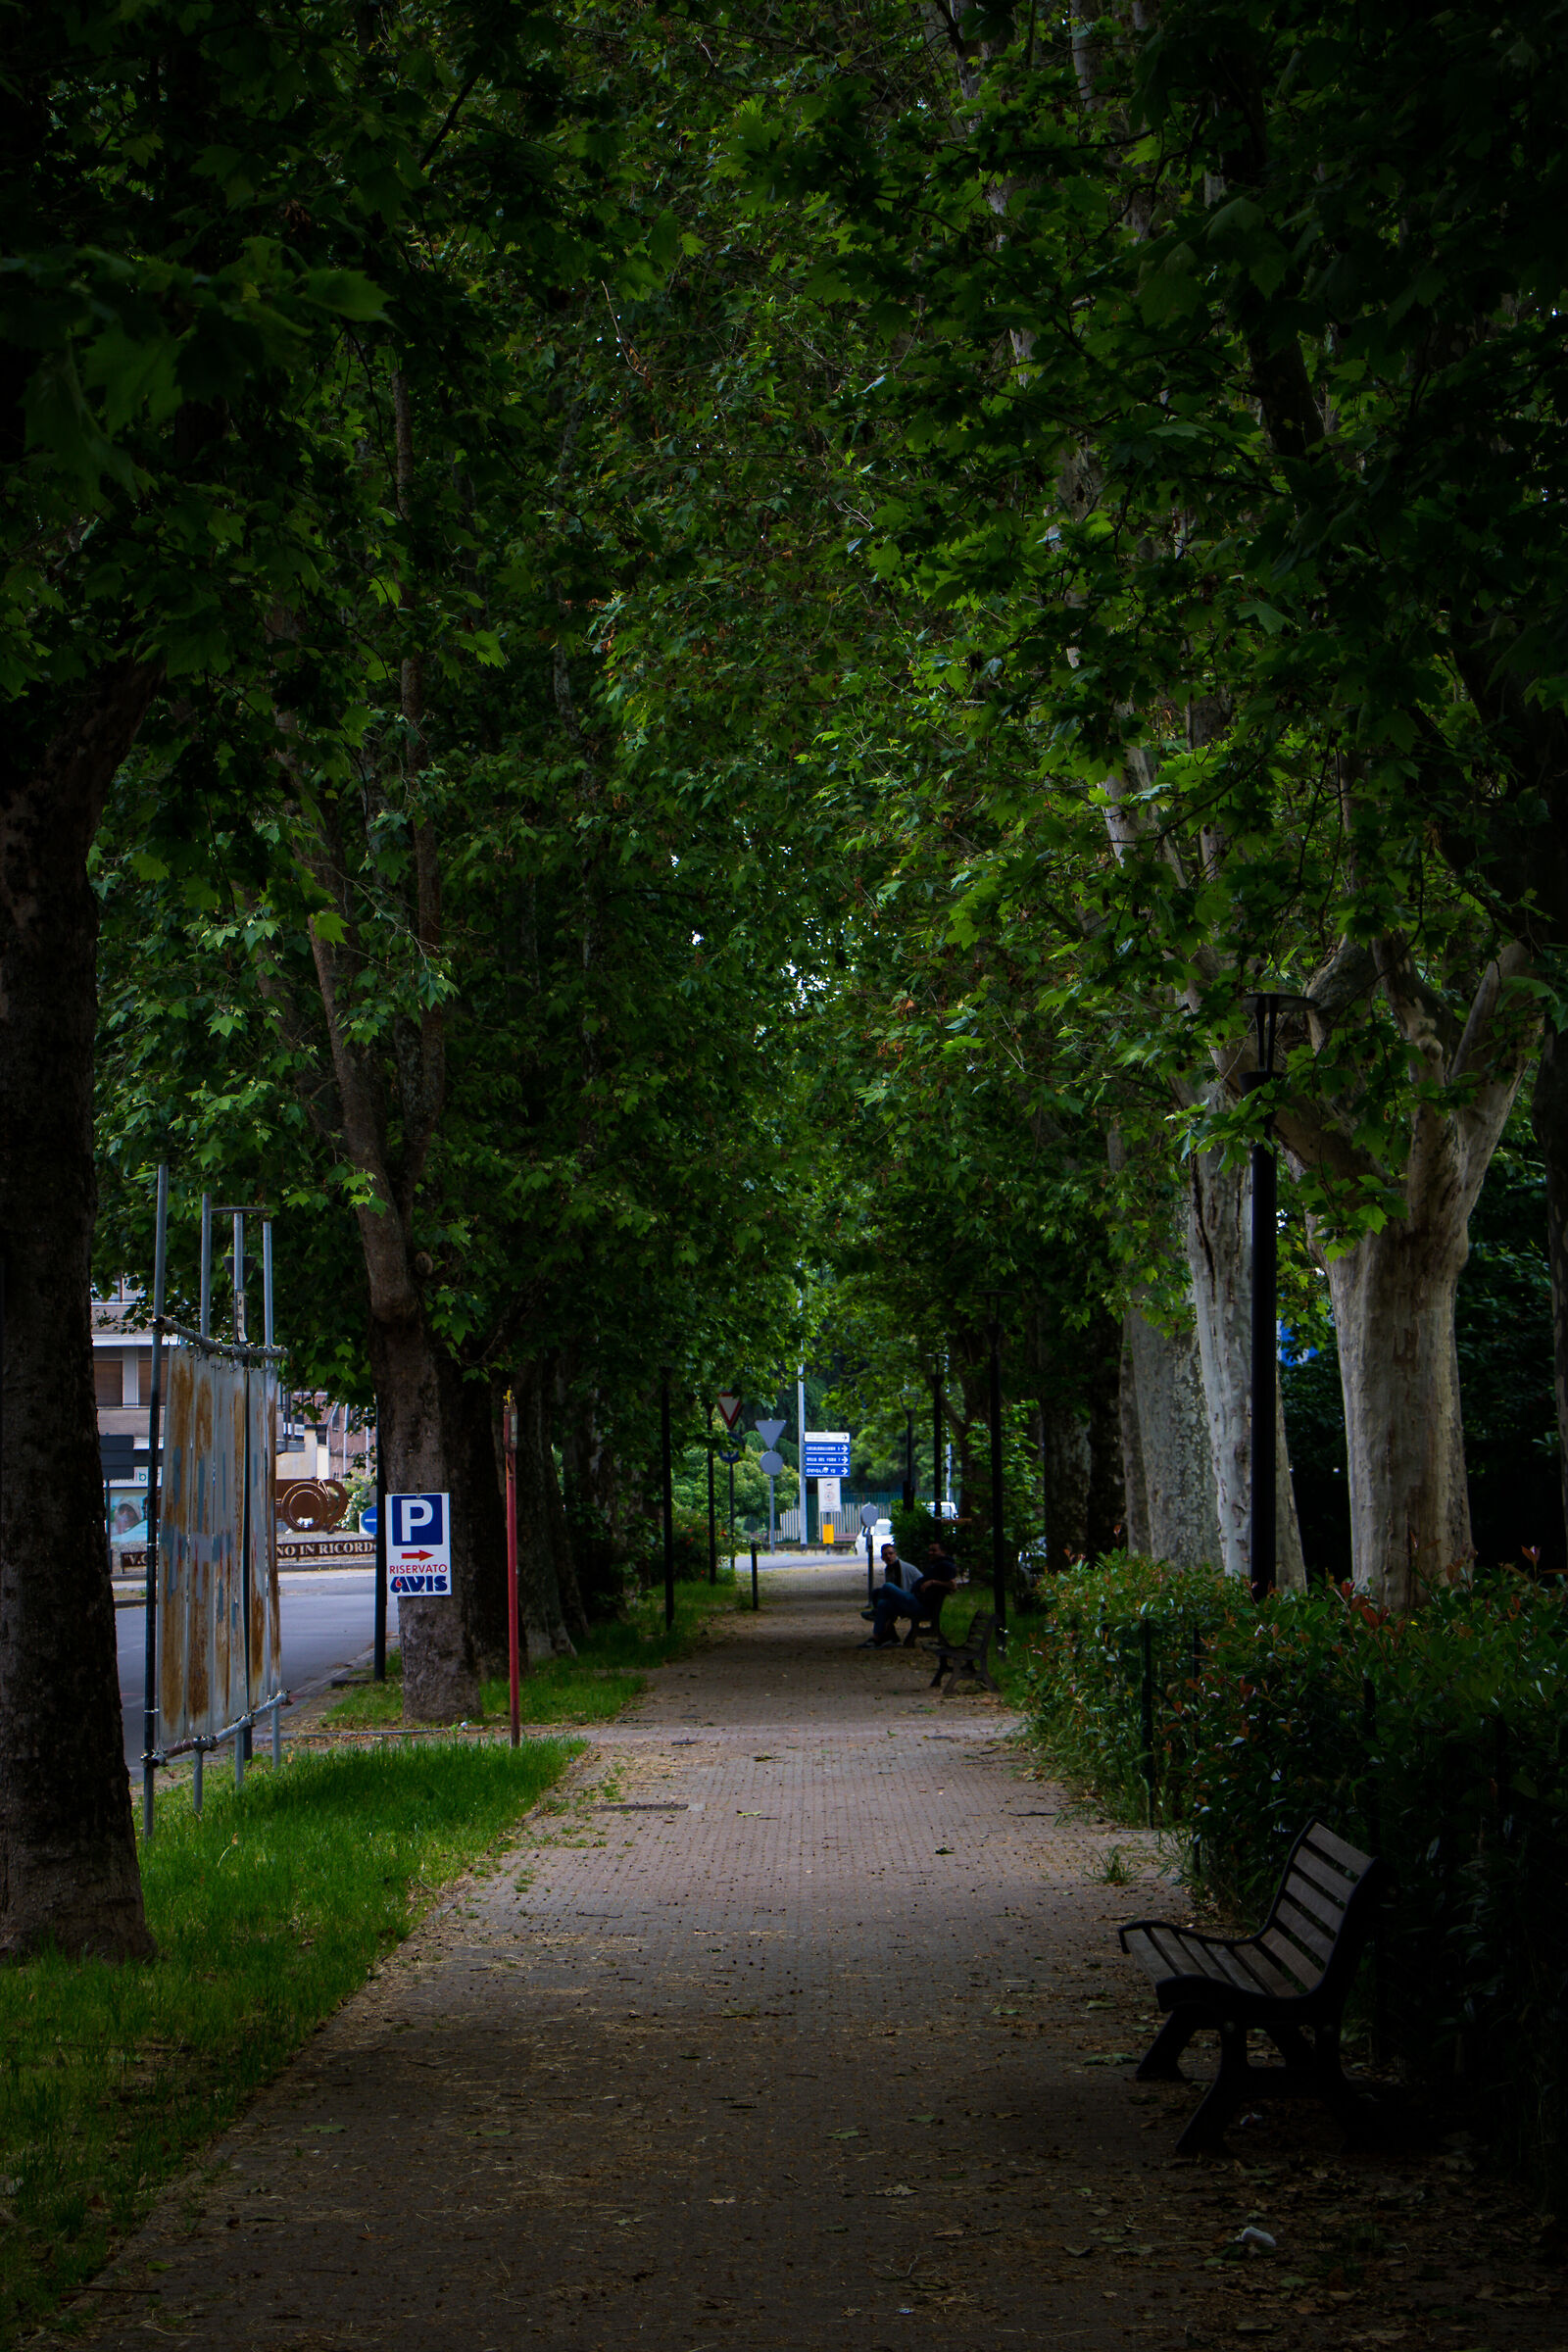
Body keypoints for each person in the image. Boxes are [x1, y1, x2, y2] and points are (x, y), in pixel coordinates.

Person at [858, 1551, 958, 1648]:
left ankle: (876, 1614)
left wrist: (932, 1582)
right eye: (930, 1550)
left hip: (920, 1604)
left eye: (934, 1550)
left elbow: (953, 1585)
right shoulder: (934, 1565)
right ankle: (877, 1638)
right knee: (883, 1604)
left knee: (887, 1587)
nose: (930, 1552)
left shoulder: (945, 1565)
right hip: (915, 1598)